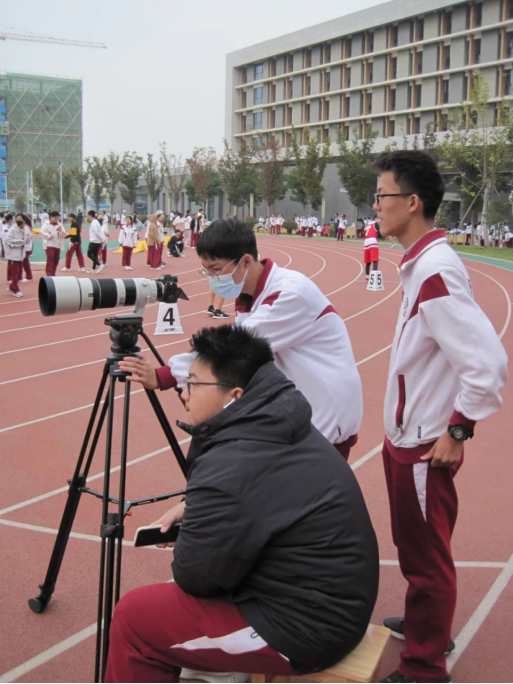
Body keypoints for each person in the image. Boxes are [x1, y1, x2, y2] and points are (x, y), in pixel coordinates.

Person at [110, 325, 379, 684]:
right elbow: (264, 494)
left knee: (135, 620)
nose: (184, 394)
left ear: (235, 396)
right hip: (333, 601)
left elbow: (195, 576)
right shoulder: (278, 423)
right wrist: (196, 509)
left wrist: (198, 528)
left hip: (305, 629)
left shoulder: (234, 461)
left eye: (193, 384)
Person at [372, 151, 508, 684]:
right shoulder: (420, 264)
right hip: (407, 434)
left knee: (428, 557)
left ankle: (424, 668)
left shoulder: (434, 269)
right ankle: (425, 624)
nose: (375, 207)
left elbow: (487, 363)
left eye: (381, 196)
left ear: (411, 202)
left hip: (426, 442)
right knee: (415, 546)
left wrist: (458, 429)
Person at [121, 218, 362, 460]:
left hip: (325, 415)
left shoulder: (289, 294)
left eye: (216, 270)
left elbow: (234, 350)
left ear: (246, 261)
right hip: (298, 405)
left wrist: (163, 376)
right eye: (206, 271)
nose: (211, 278)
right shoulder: (251, 294)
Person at [41, 211, 67, 276]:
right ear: (51, 217)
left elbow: (64, 234)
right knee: (50, 257)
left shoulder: (59, 225)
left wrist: (60, 230)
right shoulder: (46, 224)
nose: (56, 219)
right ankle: (49, 273)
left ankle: (53, 273)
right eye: (55, 218)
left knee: (56, 259)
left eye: (57, 218)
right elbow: (42, 233)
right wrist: (49, 236)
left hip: (57, 245)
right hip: (49, 244)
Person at [5, 216, 25, 298]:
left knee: (19, 275)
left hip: (20, 255)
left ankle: (11, 287)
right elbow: (7, 240)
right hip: (13, 256)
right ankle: (16, 290)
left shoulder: (24, 230)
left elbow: (26, 241)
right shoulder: (12, 230)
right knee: (15, 274)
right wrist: (19, 242)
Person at [17, 213, 33, 282]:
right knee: (21, 262)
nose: (18, 220)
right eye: (17, 219)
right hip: (19, 247)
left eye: (20, 219)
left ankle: (28, 276)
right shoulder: (16, 228)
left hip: (26, 248)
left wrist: (23, 242)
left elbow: (28, 239)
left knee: (24, 262)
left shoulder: (26, 228)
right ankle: (21, 276)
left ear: (24, 220)